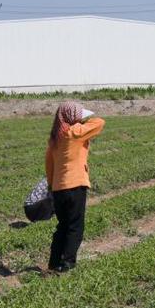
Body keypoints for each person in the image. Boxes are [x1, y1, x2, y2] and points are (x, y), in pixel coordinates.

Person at [45, 102, 105, 273]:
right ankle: (67, 263)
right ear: (72, 117)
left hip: (58, 188)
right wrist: (80, 122)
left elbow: (49, 165)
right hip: (76, 185)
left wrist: (51, 186)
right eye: (78, 115)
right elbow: (100, 122)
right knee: (75, 226)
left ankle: (54, 262)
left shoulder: (54, 139)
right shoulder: (75, 132)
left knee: (62, 226)